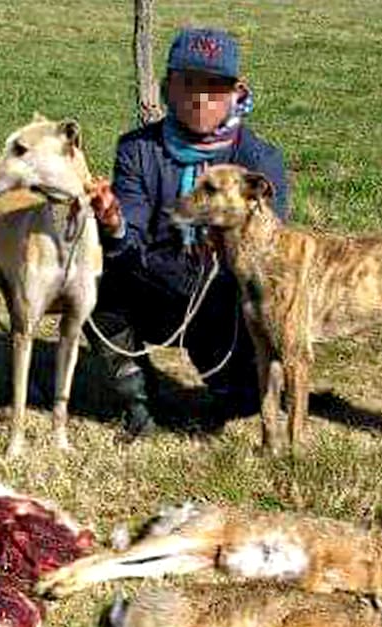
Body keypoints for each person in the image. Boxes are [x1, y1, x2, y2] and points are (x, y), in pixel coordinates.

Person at [87, 27, 290, 440]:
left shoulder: (259, 161)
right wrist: (113, 223)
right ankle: (140, 404)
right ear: (167, 88)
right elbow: (131, 239)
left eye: (215, 86)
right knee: (92, 286)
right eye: (189, 83)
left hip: (224, 300)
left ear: (237, 92)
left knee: (242, 402)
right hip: (153, 282)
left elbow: (271, 255)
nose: (201, 98)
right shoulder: (137, 149)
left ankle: (238, 390)